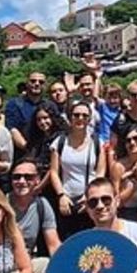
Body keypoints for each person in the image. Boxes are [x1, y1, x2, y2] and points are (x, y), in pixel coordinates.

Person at [49, 99, 105, 240]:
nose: (80, 118)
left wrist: (89, 196)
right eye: (76, 115)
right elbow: (54, 172)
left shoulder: (97, 143)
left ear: (89, 119)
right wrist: (61, 195)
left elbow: (100, 173)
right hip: (67, 201)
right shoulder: (60, 142)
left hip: (90, 202)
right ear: (70, 118)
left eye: (85, 116)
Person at [6, 158, 60, 264]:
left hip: (27, 261)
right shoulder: (2, 203)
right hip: (3, 262)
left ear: (37, 180)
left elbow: (53, 245)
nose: (22, 181)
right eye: (17, 177)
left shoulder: (42, 205)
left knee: (45, 263)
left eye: (28, 177)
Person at [6, 72, 46, 151]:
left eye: (41, 82)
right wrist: (28, 149)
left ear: (45, 85)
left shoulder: (49, 105)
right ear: (27, 83)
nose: (37, 84)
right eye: (33, 81)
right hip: (23, 152)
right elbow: (12, 129)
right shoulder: (14, 104)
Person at [20, 104, 60, 171]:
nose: (42, 122)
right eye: (39, 120)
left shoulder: (61, 138)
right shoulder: (36, 139)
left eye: (45, 118)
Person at [95, 81, 123, 146]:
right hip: (104, 140)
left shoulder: (122, 111)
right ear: (105, 98)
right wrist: (97, 79)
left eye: (115, 98)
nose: (112, 101)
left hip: (117, 142)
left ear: (120, 98)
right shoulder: (103, 107)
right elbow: (95, 97)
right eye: (109, 98)